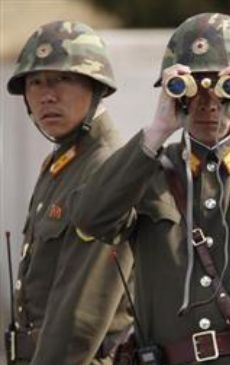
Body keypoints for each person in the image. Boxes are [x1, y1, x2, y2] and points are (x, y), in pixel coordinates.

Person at [73, 13, 230, 365]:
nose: (208, 101)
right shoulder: (149, 173)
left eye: (224, 87)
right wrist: (156, 133)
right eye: (191, 87)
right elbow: (90, 219)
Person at [4, 21, 134, 364]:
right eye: (34, 82)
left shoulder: (104, 167)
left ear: (96, 87)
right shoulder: (62, 164)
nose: (46, 95)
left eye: (63, 79)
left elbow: (83, 312)